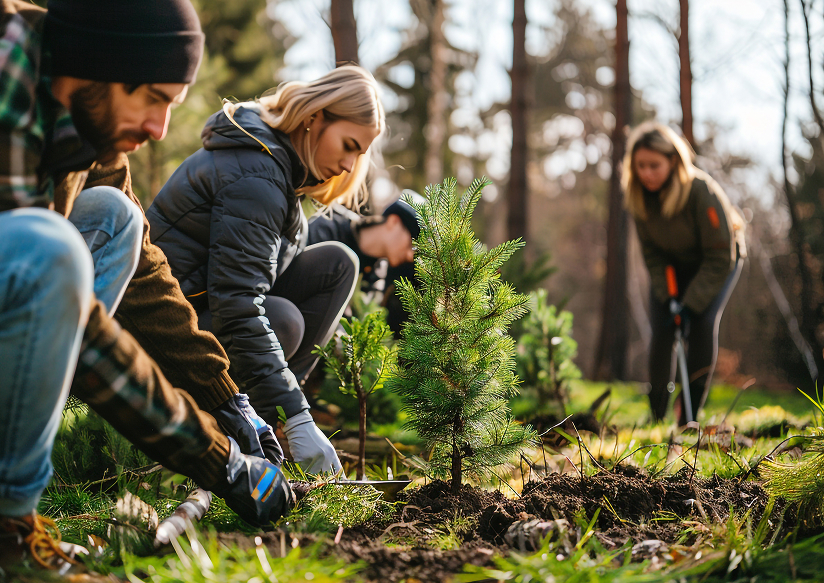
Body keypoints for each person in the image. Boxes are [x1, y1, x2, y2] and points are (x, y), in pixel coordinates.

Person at [0, 0, 293, 570]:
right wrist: (218, 459)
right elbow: (80, 329)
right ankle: (9, 526)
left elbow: (145, 275)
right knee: (49, 249)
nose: (160, 130)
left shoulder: (81, 120)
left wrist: (222, 396)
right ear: (100, 66)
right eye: (153, 99)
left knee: (114, 217)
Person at [147, 66, 385, 474]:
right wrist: (298, 415)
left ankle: (269, 428)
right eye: (348, 145)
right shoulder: (256, 174)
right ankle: (258, 429)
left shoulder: (273, 168)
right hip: (165, 338)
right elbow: (237, 304)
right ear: (315, 118)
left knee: (337, 264)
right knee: (283, 321)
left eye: (358, 154)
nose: (349, 165)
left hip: (203, 316)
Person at [624, 122, 746, 424]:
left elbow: (720, 256)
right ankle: (656, 414)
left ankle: (688, 416)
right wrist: (669, 298)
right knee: (662, 329)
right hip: (672, 269)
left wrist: (689, 305)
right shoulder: (638, 196)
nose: (647, 173)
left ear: (673, 161)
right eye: (641, 166)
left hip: (718, 261)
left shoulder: (700, 191)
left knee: (702, 324)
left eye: (655, 165)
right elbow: (652, 254)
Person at [307, 196, 419, 333]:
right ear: (393, 221)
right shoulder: (326, 226)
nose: (411, 256)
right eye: (413, 244)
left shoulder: (378, 277)